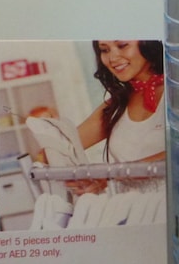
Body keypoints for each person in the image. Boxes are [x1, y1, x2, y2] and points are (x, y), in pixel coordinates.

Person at [66, 40, 166, 196]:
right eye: (105, 50)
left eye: (122, 46)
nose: (112, 58)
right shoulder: (116, 105)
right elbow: (67, 145)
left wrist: (113, 174)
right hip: (131, 206)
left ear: (148, 43)